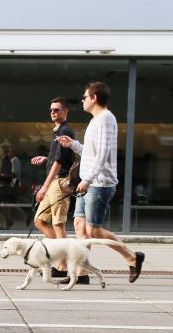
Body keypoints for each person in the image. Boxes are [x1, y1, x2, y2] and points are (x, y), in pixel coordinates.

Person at [57, 82, 145, 283]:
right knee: (80, 226)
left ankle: (132, 257)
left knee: (93, 230)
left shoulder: (106, 118)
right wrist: (74, 145)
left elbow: (103, 154)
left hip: (99, 184)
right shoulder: (97, 120)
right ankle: (82, 274)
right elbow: (91, 151)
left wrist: (87, 179)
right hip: (89, 182)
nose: (82, 100)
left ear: (94, 98)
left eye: (85, 96)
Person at [31, 97, 77, 280]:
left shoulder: (65, 130)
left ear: (65, 111)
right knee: (40, 220)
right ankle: (61, 253)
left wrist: (44, 186)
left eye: (57, 110)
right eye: (51, 110)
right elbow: (57, 159)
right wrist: (46, 159)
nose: (53, 113)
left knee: (58, 224)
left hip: (59, 183)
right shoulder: (57, 131)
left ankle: (63, 265)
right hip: (54, 182)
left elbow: (59, 163)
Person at [0, 144, 22, 228]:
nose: (9, 153)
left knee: (7, 204)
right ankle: (6, 224)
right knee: (8, 204)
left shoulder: (13, 160)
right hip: (11, 184)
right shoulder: (12, 160)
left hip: (11, 184)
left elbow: (14, 174)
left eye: (10, 151)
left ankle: (8, 222)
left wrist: (1, 175)